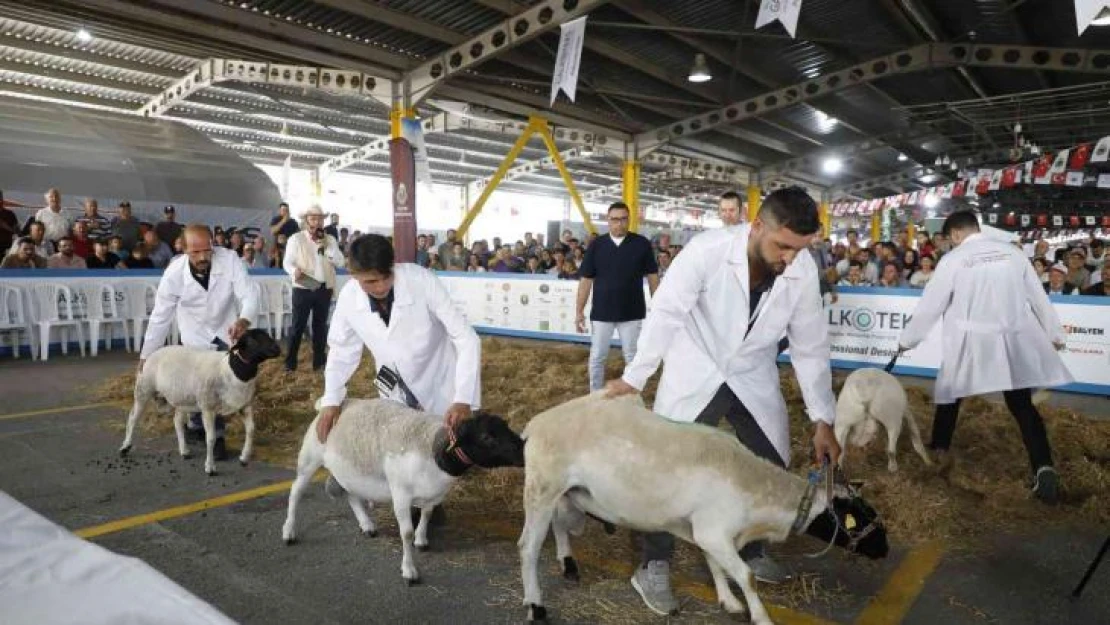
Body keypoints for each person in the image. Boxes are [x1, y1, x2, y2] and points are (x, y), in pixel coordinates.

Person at [605, 188, 840, 614]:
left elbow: (810, 345)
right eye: (783, 246)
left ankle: (751, 551)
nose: (790, 258)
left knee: (768, 462)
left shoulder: (801, 270)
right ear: (756, 227)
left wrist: (823, 417)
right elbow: (666, 313)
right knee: (667, 467)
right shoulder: (706, 252)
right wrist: (635, 378)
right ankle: (653, 564)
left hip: (751, 372)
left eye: (800, 249)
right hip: (697, 365)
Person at [896, 211, 1072, 504]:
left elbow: (931, 305)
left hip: (970, 340)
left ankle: (938, 452)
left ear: (954, 235)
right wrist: (1056, 334)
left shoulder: (953, 260)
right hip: (1013, 338)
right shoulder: (1013, 255)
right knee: (1021, 404)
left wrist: (907, 340)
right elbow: (1038, 297)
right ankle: (1043, 465)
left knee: (951, 395)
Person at [314, 233, 480, 444]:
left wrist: (463, 399)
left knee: (446, 453)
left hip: (440, 382)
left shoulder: (421, 280)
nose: (381, 287)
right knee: (403, 450)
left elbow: (466, 338)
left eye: (387, 276)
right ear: (353, 273)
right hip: (394, 390)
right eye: (371, 281)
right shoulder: (348, 298)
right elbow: (341, 352)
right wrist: (331, 400)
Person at [139, 225, 259, 460]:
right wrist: (146, 356)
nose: (203, 257)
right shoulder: (174, 274)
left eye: (207, 250)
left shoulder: (230, 259)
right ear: (182, 249)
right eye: (195, 252)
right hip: (194, 334)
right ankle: (202, 429)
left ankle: (216, 434)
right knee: (197, 383)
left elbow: (249, 294)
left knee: (224, 382)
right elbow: (160, 317)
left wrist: (244, 320)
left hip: (227, 329)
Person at [576, 202, 660, 392]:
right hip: (602, 312)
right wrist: (579, 311)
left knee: (632, 357)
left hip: (632, 311)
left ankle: (633, 395)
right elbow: (586, 280)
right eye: (615, 219)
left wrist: (658, 307)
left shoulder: (641, 244)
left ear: (629, 220)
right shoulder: (596, 245)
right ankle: (594, 395)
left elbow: (653, 278)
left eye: (623, 219)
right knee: (597, 357)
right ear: (608, 220)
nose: (619, 224)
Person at [282, 205, 345, 372]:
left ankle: (319, 363)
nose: (317, 222)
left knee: (320, 327)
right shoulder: (295, 239)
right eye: (313, 218)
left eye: (320, 219)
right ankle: (290, 364)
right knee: (298, 326)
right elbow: (287, 263)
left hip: (324, 287)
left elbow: (340, 262)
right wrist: (293, 271)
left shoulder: (330, 239)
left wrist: (327, 247)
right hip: (304, 285)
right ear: (306, 220)